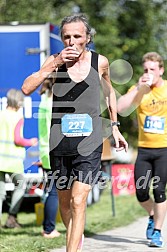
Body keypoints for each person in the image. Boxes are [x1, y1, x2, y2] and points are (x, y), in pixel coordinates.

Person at [22, 14, 128, 252]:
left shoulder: (100, 62)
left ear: (87, 38)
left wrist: (114, 127)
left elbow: (110, 93)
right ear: (61, 38)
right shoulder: (54, 61)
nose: (71, 41)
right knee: (65, 203)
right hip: (60, 143)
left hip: (89, 144)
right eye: (66, 37)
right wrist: (54, 63)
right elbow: (26, 88)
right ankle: (74, 239)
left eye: (77, 36)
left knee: (78, 200)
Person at [117, 52, 167, 248]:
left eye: (152, 70)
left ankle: (157, 232)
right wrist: (138, 87)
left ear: (161, 70)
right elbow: (121, 108)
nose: (149, 73)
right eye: (145, 70)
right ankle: (152, 214)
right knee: (140, 191)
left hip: (164, 149)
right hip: (144, 150)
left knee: (159, 190)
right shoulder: (139, 90)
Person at [0, 88, 37, 228]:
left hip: (0, 159)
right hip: (12, 160)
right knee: (21, 185)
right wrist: (31, 142)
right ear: (18, 102)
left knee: (0, 192)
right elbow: (18, 140)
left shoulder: (1, 114)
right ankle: (11, 218)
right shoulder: (17, 117)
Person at [38, 78, 61, 238]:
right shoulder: (54, 103)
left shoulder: (43, 102)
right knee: (54, 191)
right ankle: (49, 229)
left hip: (45, 151)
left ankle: (47, 227)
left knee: (50, 189)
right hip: (55, 150)